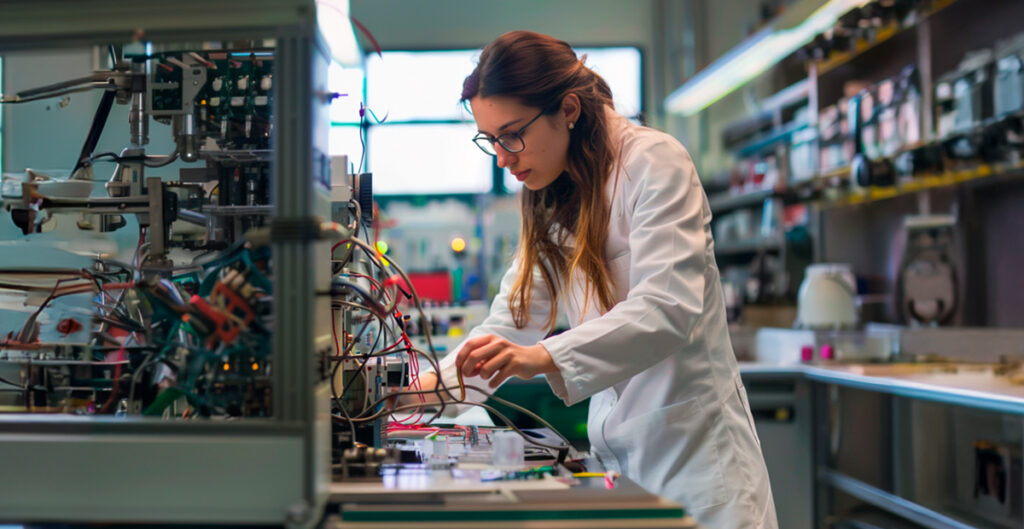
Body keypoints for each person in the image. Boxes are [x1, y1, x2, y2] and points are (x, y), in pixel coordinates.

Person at [413, 30, 777, 528]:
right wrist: (423, 390)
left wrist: (541, 356)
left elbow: (666, 308)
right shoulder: (553, 193)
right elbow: (512, 323)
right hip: (620, 459)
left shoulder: (653, 162)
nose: (502, 157)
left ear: (567, 109)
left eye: (512, 134)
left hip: (698, 467)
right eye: (491, 139)